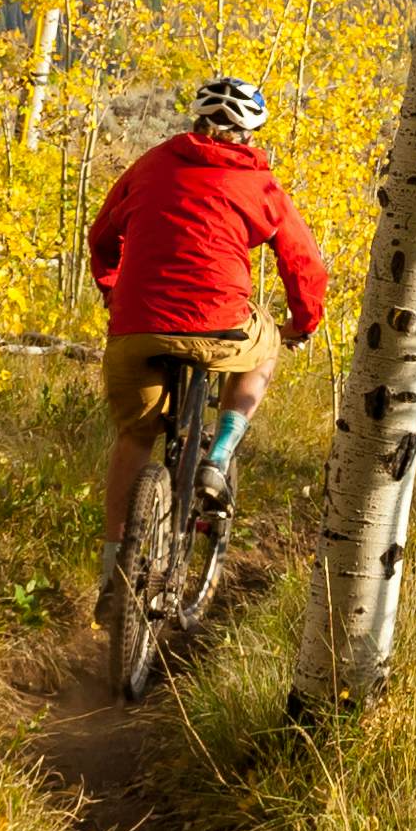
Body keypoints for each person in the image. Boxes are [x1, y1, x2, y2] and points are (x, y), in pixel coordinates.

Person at [85, 74, 327, 623]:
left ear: (193, 121)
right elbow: (304, 263)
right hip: (220, 327)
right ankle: (219, 454)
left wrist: (111, 290)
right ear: (250, 134)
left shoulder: (148, 167)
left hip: (138, 326)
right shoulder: (260, 186)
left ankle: (111, 575)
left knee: (135, 436)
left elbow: (102, 237)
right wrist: (302, 322)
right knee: (263, 343)